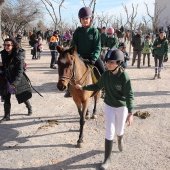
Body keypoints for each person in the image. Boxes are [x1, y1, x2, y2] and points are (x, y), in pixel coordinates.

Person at [75, 49, 134, 170]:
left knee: (119, 131)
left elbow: (129, 95)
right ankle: (107, 159)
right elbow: (97, 86)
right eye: (107, 62)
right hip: (109, 106)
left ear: (119, 63)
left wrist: (131, 112)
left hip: (121, 107)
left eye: (111, 62)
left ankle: (120, 139)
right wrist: (83, 87)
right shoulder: (105, 75)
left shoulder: (124, 77)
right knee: (109, 131)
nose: (108, 64)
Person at [64, 7, 105, 97]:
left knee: (103, 70)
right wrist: (74, 56)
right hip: (80, 57)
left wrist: (94, 58)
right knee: (67, 69)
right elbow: (73, 46)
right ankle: (68, 89)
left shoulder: (94, 31)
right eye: (83, 19)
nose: (85, 20)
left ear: (90, 19)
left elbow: (97, 46)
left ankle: (105, 88)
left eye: (87, 18)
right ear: (80, 20)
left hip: (92, 58)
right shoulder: (77, 32)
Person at [0, 38, 32, 123]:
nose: (6, 47)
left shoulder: (18, 55)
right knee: (6, 97)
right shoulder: (3, 54)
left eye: (8, 45)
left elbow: (20, 71)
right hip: (7, 79)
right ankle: (7, 116)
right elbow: (6, 66)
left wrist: (15, 83)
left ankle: (29, 107)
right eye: (4, 45)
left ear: (13, 45)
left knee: (22, 96)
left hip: (17, 79)